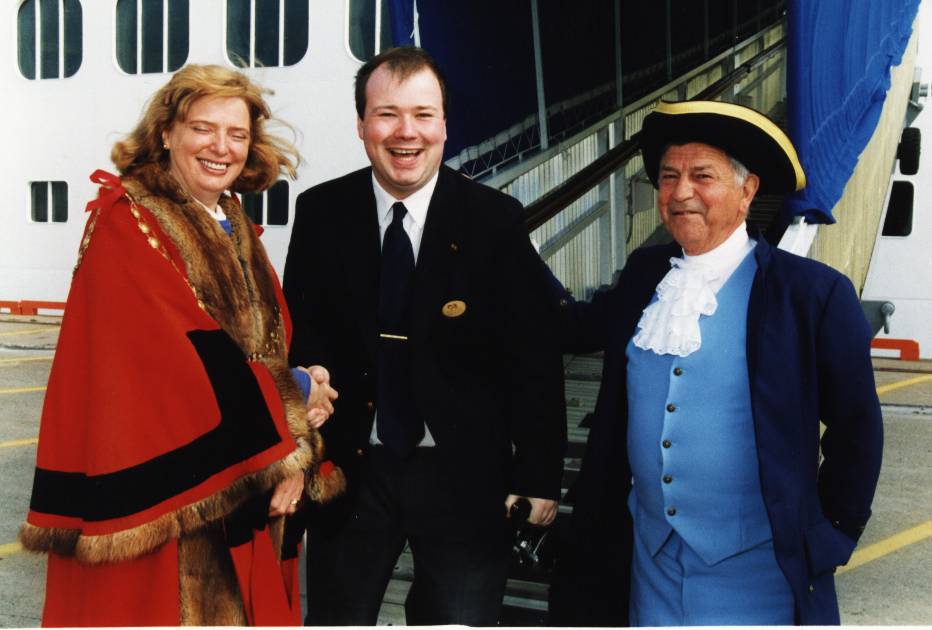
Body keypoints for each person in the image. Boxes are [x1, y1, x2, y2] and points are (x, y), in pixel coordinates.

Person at [19, 64, 343, 626]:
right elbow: (175, 364)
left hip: (241, 486)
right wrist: (295, 394)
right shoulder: (128, 222)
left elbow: (265, 347)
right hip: (169, 508)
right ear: (166, 132)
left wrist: (298, 427)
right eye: (203, 128)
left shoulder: (231, 220)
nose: (221, 147)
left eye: (237, 134)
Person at [552, 100, 883, 626]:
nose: (681, 192)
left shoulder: (810, 294)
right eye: (668, 177)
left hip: (758, 576)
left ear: (747, 191)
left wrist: (830, 536)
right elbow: (571, 326)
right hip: (648, 568)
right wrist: (498, 240)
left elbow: (857, 430)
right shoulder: (644, 274)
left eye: (702, 176)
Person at [283, 46, 567, 625]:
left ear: (445, 125)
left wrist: (538, 475)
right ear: (361, 124)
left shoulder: (494, 219)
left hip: (465, 479)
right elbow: (301, 336)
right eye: (387, 114)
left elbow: (532, 357)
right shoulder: (321, 212)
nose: (405, 132)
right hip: (351, 473)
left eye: (422, 114)